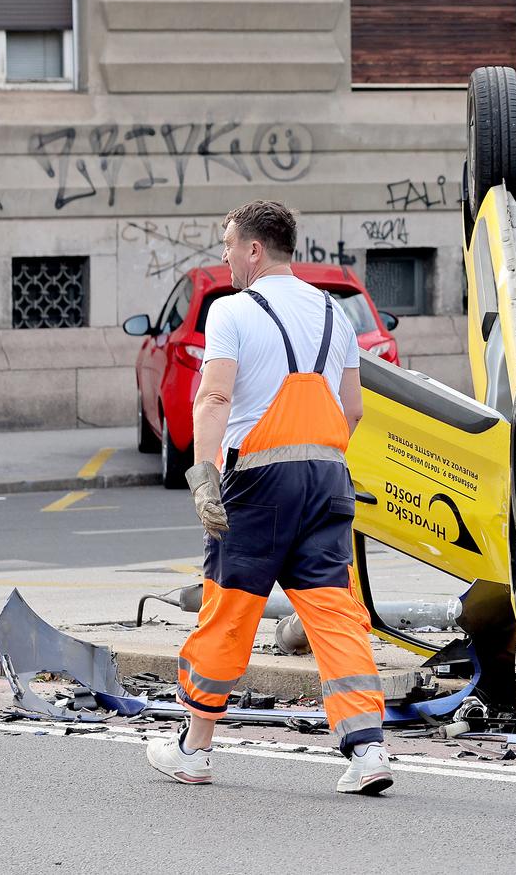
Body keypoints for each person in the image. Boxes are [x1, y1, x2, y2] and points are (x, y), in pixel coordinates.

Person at [146, 200, 392, 795]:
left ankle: (195, 751)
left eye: (229, 244)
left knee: (229, 609)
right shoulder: (335, 315)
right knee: (336, 613)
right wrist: (315, 456)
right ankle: (368, 752)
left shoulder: (232, 311)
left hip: (257, 481)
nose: (225, 256)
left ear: (255, 250)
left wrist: (204, 474)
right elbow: (353, 408)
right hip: (329, 477)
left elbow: (213, 400)